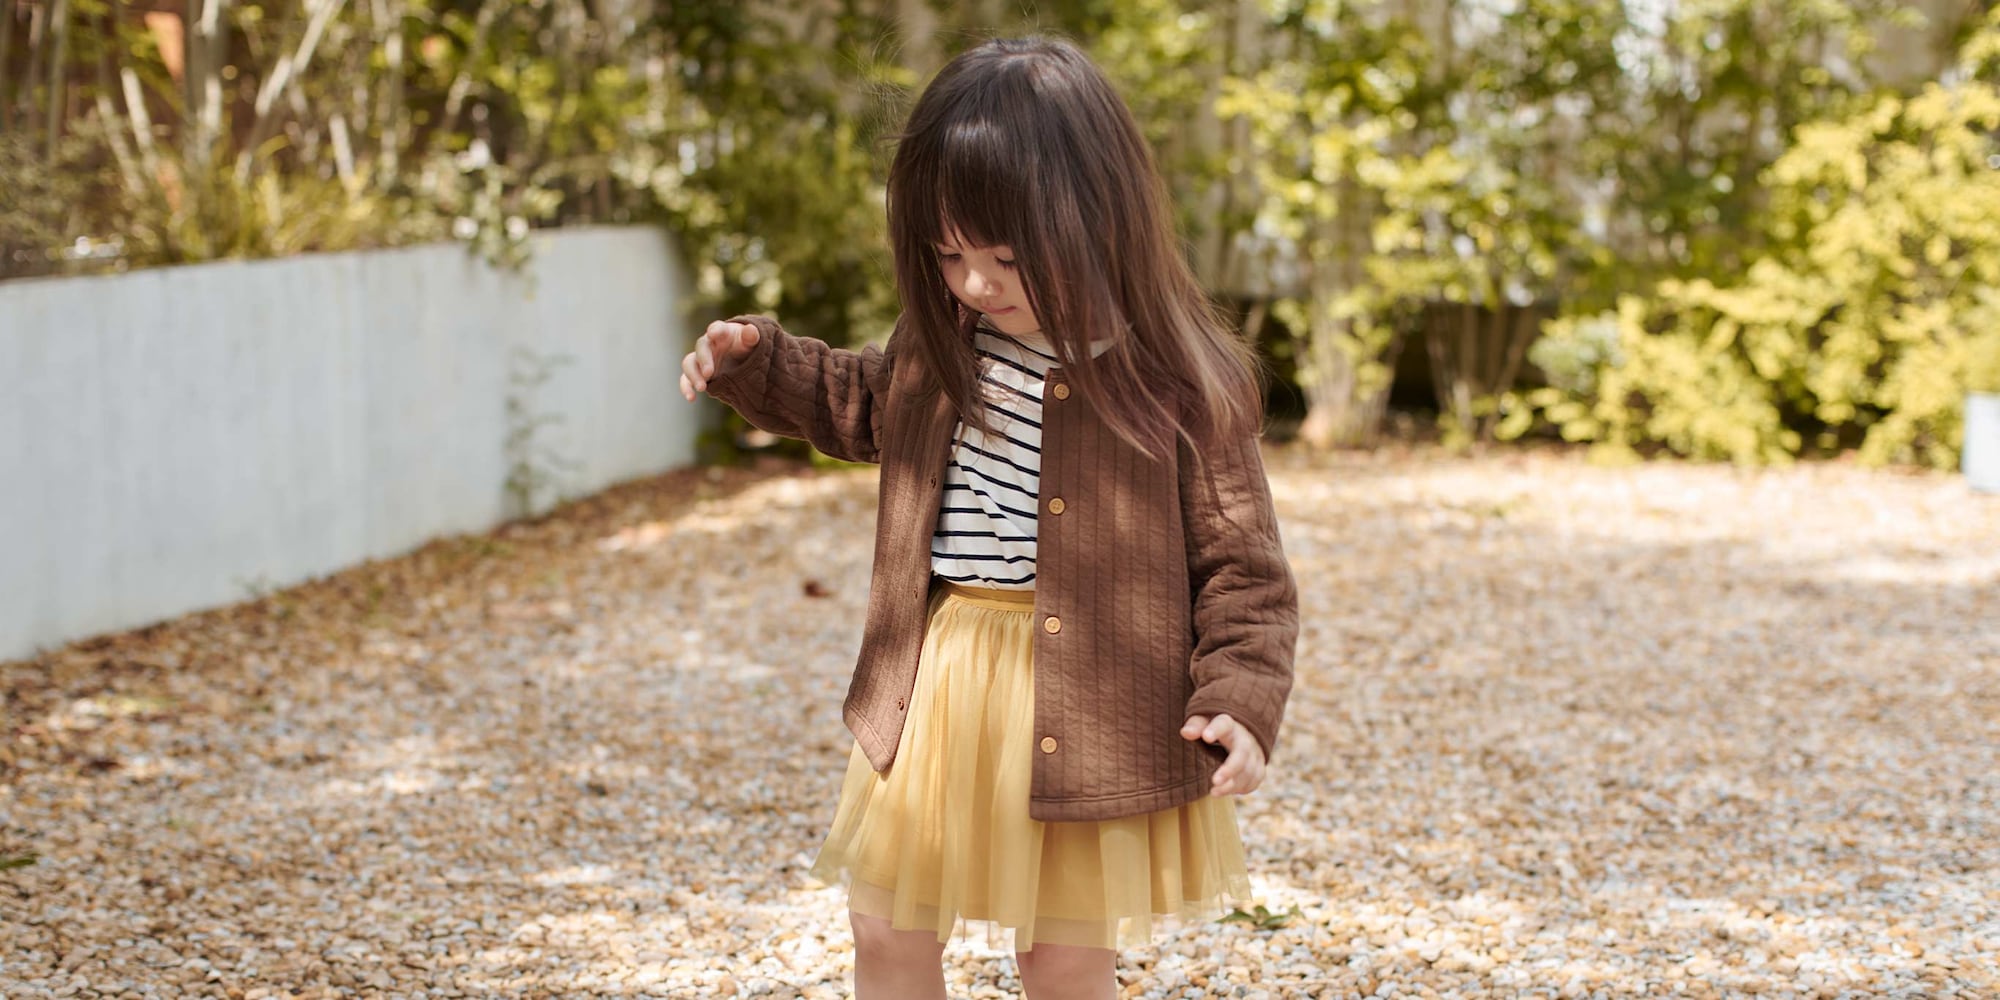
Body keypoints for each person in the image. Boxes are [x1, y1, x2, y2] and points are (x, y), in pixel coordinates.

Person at [678, 35, 1298, 1000]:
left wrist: (1240, 699)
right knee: (883, 926)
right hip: (941, 681)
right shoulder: (944, 345)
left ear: (1099, 222)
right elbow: (862, 402)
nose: (974, 283)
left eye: (1005, 258)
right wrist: (757, 362)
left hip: (1090, 703)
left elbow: (1243, 570)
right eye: (949, 255)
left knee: (1059, 957)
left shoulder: (1176, 383)